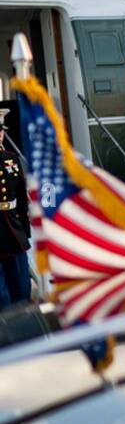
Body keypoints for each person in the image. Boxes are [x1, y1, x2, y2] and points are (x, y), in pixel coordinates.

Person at [0, 110, 31, 310]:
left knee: (21, 287)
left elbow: (21, 198)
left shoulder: (11, 159)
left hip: (13, 231)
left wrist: (25, 230)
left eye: (1, 131)